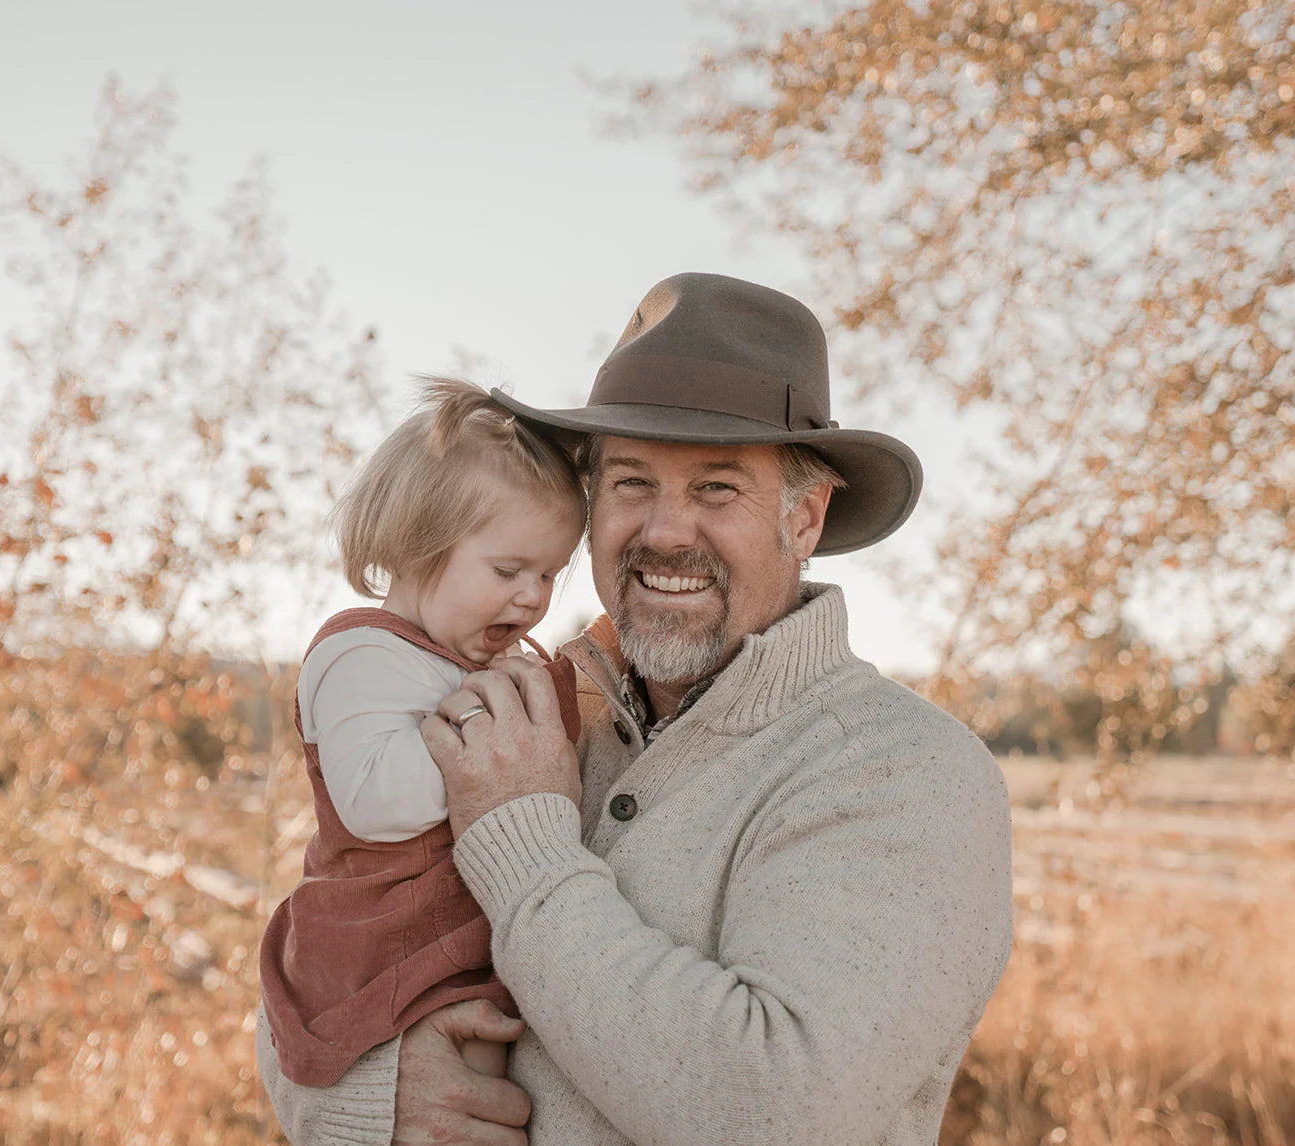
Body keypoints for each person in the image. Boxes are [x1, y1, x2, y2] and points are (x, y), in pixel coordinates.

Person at [276, 272, 1014, 1146]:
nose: (664, 532)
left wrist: (522, 843)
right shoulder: (530, 705)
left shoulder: (905, 771)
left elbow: (775, 1113)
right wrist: (372, 1099)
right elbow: (325, 958)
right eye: (631, 482)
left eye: (716, 488)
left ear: (806, 518)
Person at [255, 378, 586, 1144]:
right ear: (416, 547)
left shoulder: (470, 659)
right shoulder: (362, 654)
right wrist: (494, 721)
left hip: (448, 941)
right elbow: (379, 802)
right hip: (386, 940)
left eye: (550, 574)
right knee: (465, 1089)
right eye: (508, 571)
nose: (533, 598)